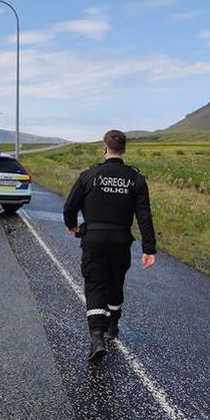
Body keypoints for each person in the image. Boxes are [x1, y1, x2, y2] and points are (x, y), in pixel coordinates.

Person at [63, 129, 156, 362]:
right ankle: (112, 325)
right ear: (124, 149)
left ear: (104, 148)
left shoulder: (89, 175)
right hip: (120, 240)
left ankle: (97, 338)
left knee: (95, 284)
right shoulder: (136, 179)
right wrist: (149, 249)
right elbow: (144, 216)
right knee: (115, 282)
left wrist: (72, 225)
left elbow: (70, 206)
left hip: (93, 239)